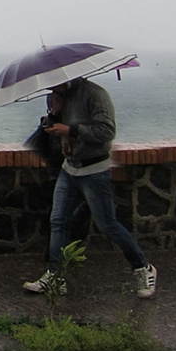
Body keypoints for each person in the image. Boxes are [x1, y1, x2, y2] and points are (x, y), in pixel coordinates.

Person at [23, 75, 158, 299]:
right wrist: (53, 115)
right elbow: (57, 136)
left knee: (108, 225)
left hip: (94, 170)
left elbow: (107, 131)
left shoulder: (95, 95)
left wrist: (71, 130)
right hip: (70, 168)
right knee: (58, 222)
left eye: (52, 81)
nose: (49, 87)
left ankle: (144, 268)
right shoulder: (54, 98)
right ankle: (55, 276)